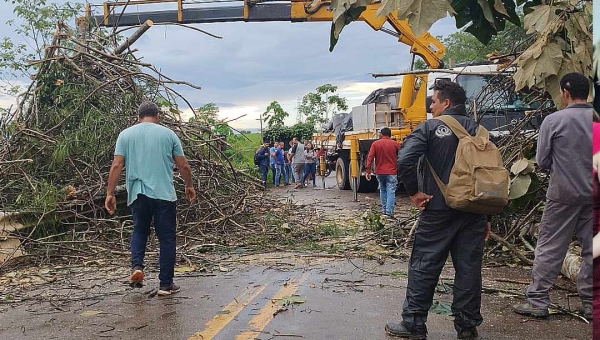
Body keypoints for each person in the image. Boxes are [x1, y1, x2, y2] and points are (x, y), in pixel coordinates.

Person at [387, 80, 490, 339]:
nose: (430, 106)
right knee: (468, 268)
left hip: (438, 209)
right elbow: (487, 175)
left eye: (433, 101)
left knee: (424, 265)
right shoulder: (480, 131)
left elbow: (405, 160)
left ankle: (413, 324)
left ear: (446, 103)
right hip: (474, 210)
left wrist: (413, 193)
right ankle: (467, 327)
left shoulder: (430, 128)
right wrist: (486, 215)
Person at [513, 72, 593, 321]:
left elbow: (542, 161)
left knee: (550, 247)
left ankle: (538, 301)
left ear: (566, 92)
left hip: (563, 194)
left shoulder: (554, 121)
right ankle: (592, 304)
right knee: (594, 250)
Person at [105, 101, 196, 296]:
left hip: (138, 193)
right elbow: (184, 166)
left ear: (138, 117)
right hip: (164, 193)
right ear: (157, 116)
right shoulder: (168, 134)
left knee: (139, 230)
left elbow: (117, 165)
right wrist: (189, 185)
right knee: (166, 238)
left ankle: (137, 266)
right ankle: (165, 284)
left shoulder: (126, 135)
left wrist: (110, 193)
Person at [365, 127, 400, 216]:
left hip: (380, 172)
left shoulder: (375, 144)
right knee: (391, 191)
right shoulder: (396, 144)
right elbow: (402, 157)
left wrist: (368, 170)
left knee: (383, 190)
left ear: (382, 134)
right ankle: (389, 212)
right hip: (391, 172)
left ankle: (384, 211)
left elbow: (370, 157)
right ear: (390, 134)